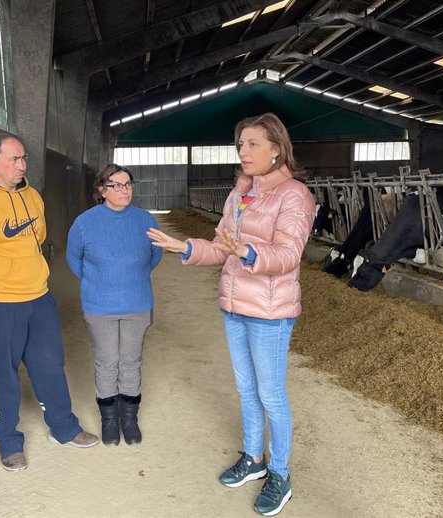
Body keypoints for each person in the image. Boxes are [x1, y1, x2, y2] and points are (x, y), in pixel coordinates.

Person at [147, 113, 314, 516]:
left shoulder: (294, 195)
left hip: (270, 311)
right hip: (235, 305)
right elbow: (221, 246)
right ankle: (253, 458)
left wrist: (249, 252)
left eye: (253, 143)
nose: (244, 151)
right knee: (246, 389)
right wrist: (184, 246)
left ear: (277, 148)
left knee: (271, 394)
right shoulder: (242, 193)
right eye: (240, 144)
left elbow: (290, 255)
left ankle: (279, 473)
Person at [0, 132, 98, 472]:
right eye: (13, 160)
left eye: (23, 159)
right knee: (2, 374)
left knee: (50, 364)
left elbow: (40, 239)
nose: (22, 165)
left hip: (39, 298)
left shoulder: (33, 197)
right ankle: (8, 441)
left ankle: (64, 427)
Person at [66, 164, 162, 446]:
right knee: (107, 362)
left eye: (128, 184)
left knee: (131, 361)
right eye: (116, 185)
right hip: (100, 307)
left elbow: (155, 257)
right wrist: (100, 282)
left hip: (137, 303)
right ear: (101, 190)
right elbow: (75, 261)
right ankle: (109, 421)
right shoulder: (85, 223)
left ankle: (129, 419)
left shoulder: (145, 220)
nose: (124, 190)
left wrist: (131, 277)